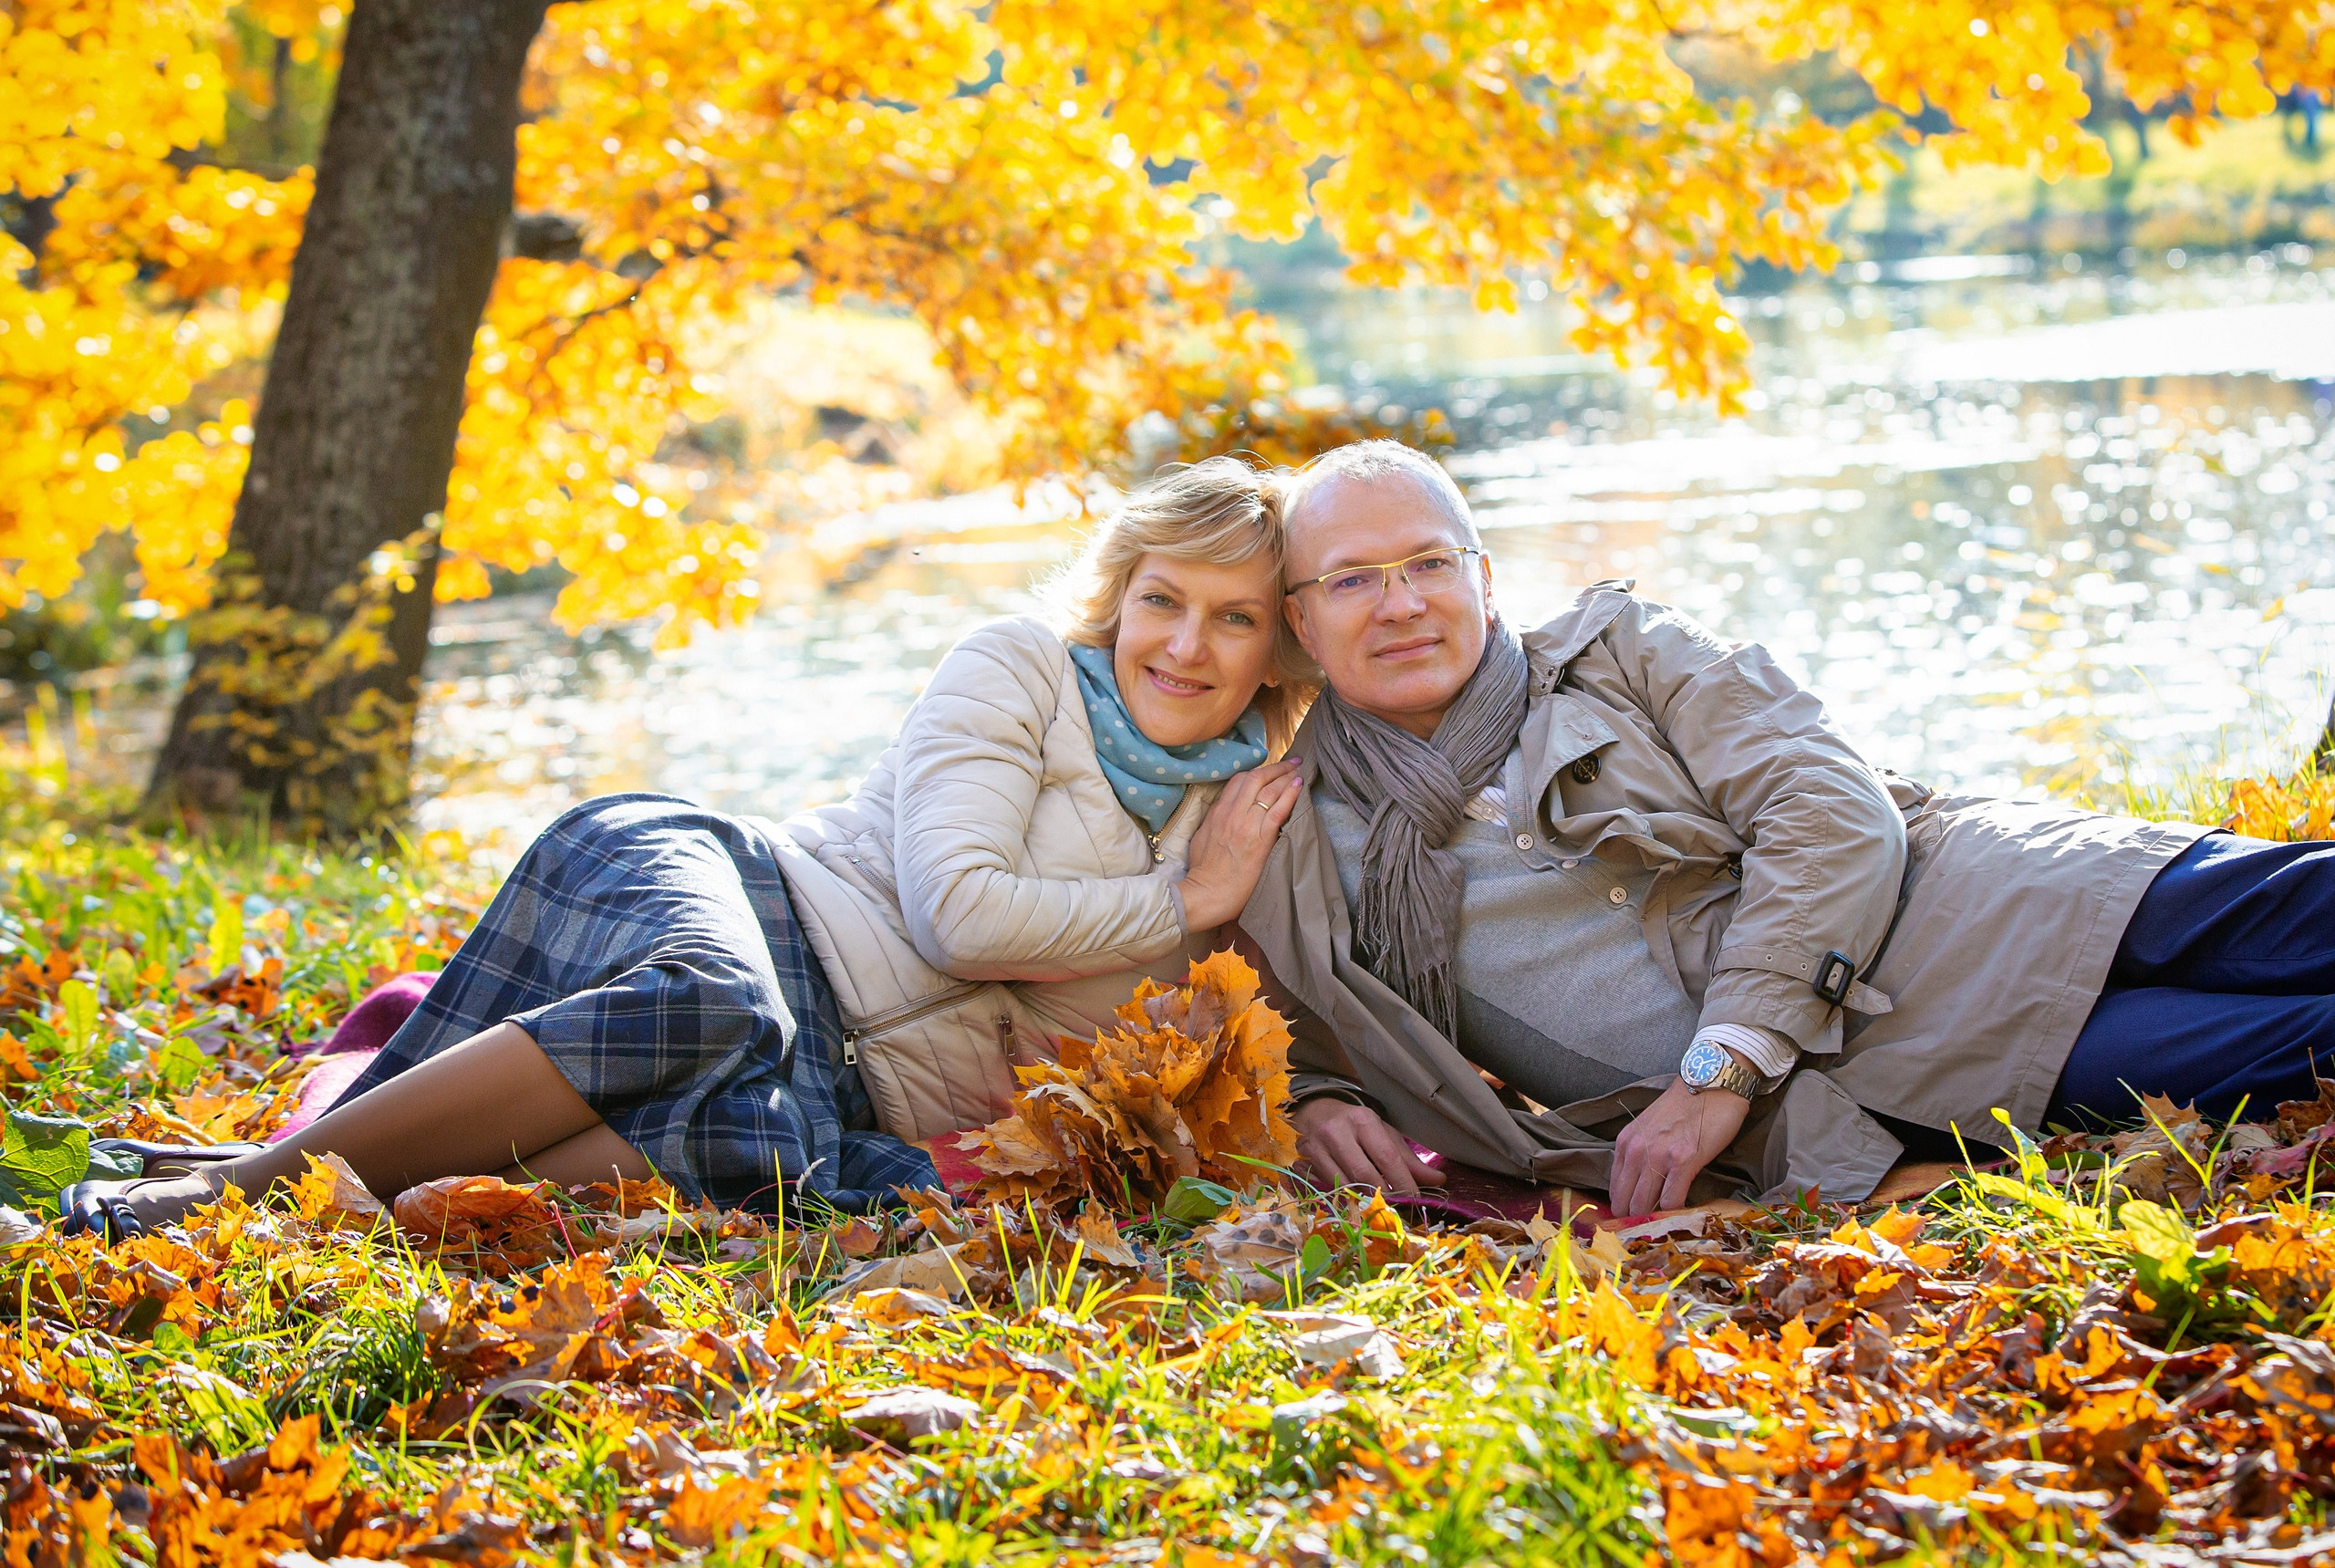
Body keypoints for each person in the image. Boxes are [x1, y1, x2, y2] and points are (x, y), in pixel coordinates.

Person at [66, 458, 1315, 1236]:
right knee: (710, 1001)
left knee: (751, 1163)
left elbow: (1296, 1024)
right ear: (1118, 595)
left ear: (1280, 650)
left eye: (1233, 619)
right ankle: (219, 1197)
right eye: (1162, 599)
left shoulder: (1259, 816)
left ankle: (284, 1199)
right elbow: (960, 915)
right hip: (750, 899)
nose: (1184, 645)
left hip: (840, 1086)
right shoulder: (1022, 669)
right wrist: (1177, 900)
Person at [1235, 440, 2335, 1216]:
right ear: (1301, 622)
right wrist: (1316, 1095)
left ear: (1482, 578)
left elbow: (1826, 807)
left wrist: (1719, 1067)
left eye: (1428, 563)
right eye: (1354, 580)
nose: (1402, 603)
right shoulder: (1295, 832)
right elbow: (1264, 1007)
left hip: (1978, 896)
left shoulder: (1622, 650)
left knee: (2302, 907)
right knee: (2299, 1043)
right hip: (1894, 1073)